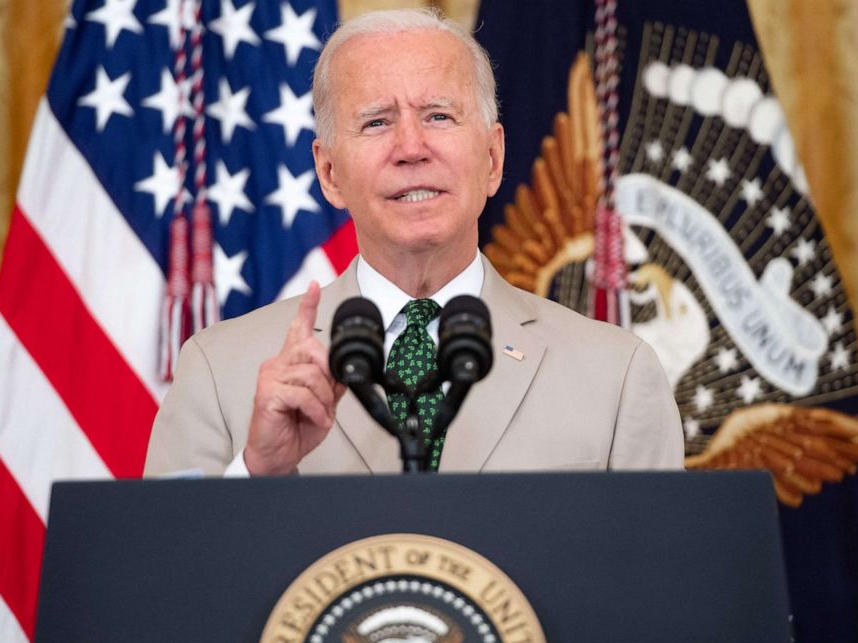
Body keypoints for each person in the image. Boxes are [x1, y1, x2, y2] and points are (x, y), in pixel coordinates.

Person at [145, 8, 683, 478]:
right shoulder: (218, 372)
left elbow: (662, 582)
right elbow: (162, 583)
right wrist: (257, 471)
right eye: (377, 122)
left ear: (493, 159)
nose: (411, 147)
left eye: (439, 116)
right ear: (329, 172)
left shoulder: (618, 375)